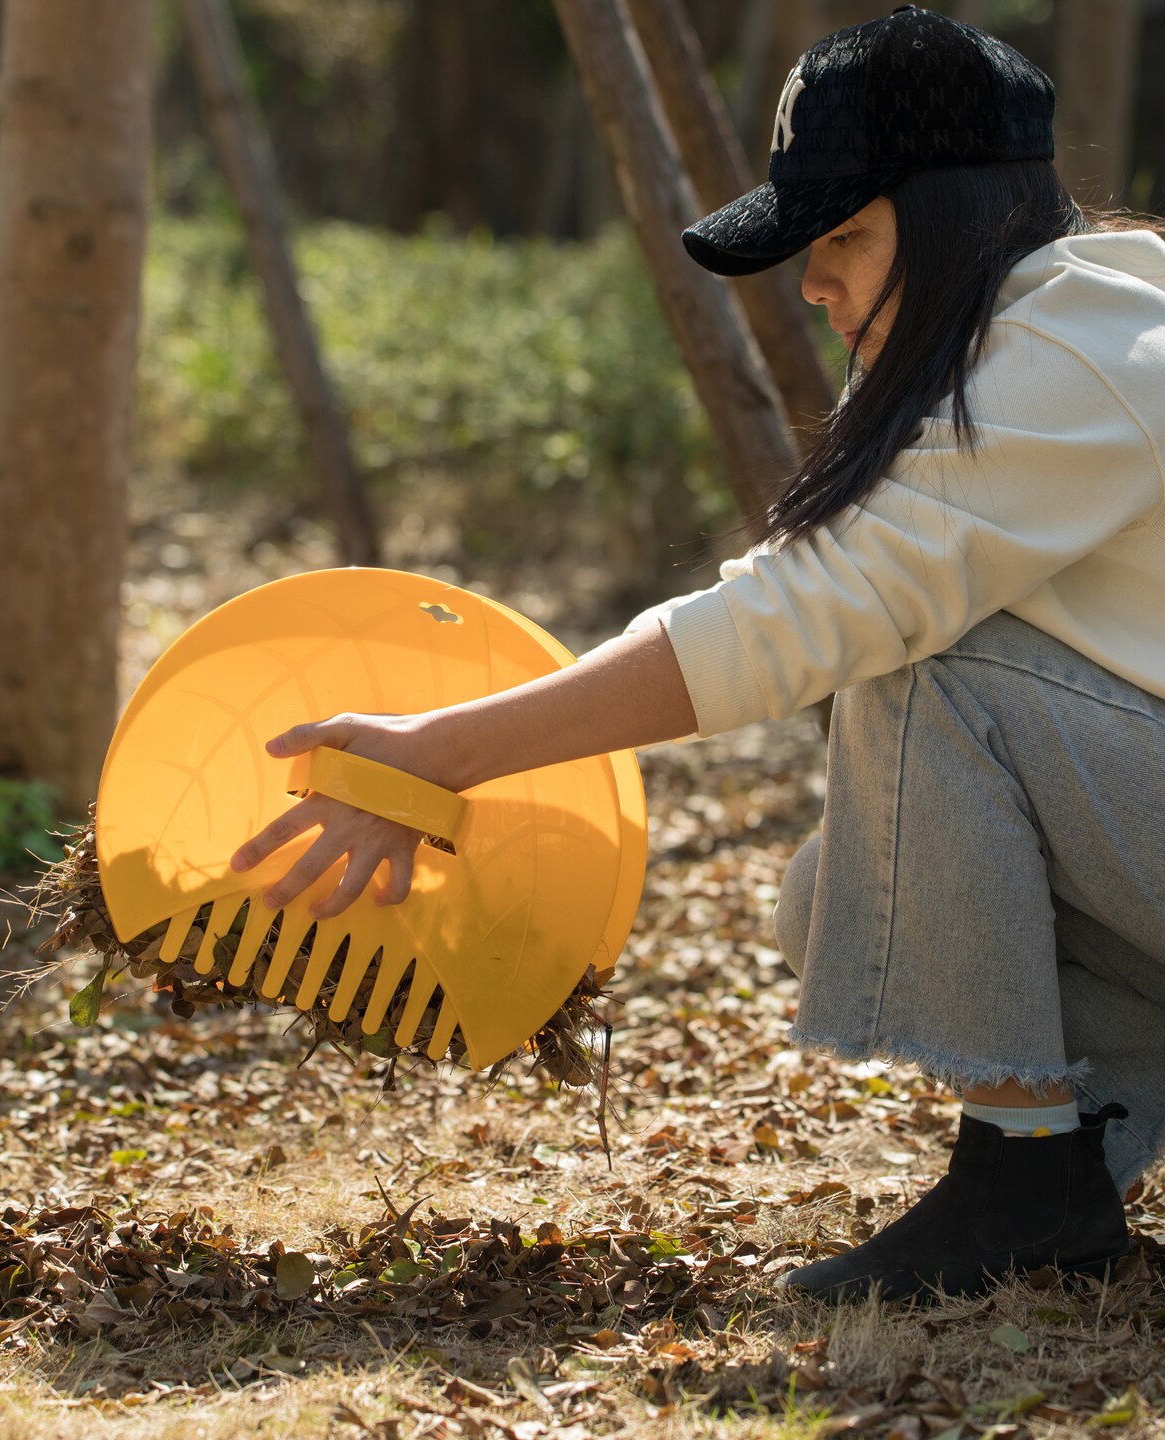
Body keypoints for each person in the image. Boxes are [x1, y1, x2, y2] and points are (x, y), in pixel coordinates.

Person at [231, 5, 1165, 1303]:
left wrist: (444, 754)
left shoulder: (1078, 351)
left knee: (923, 668)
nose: (816, 281)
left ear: (960, 214)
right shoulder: (1022, 345)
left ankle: (1024, 1184)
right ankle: (1081, 1147)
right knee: (839, 895)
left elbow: (818, 609)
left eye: (847, 235)